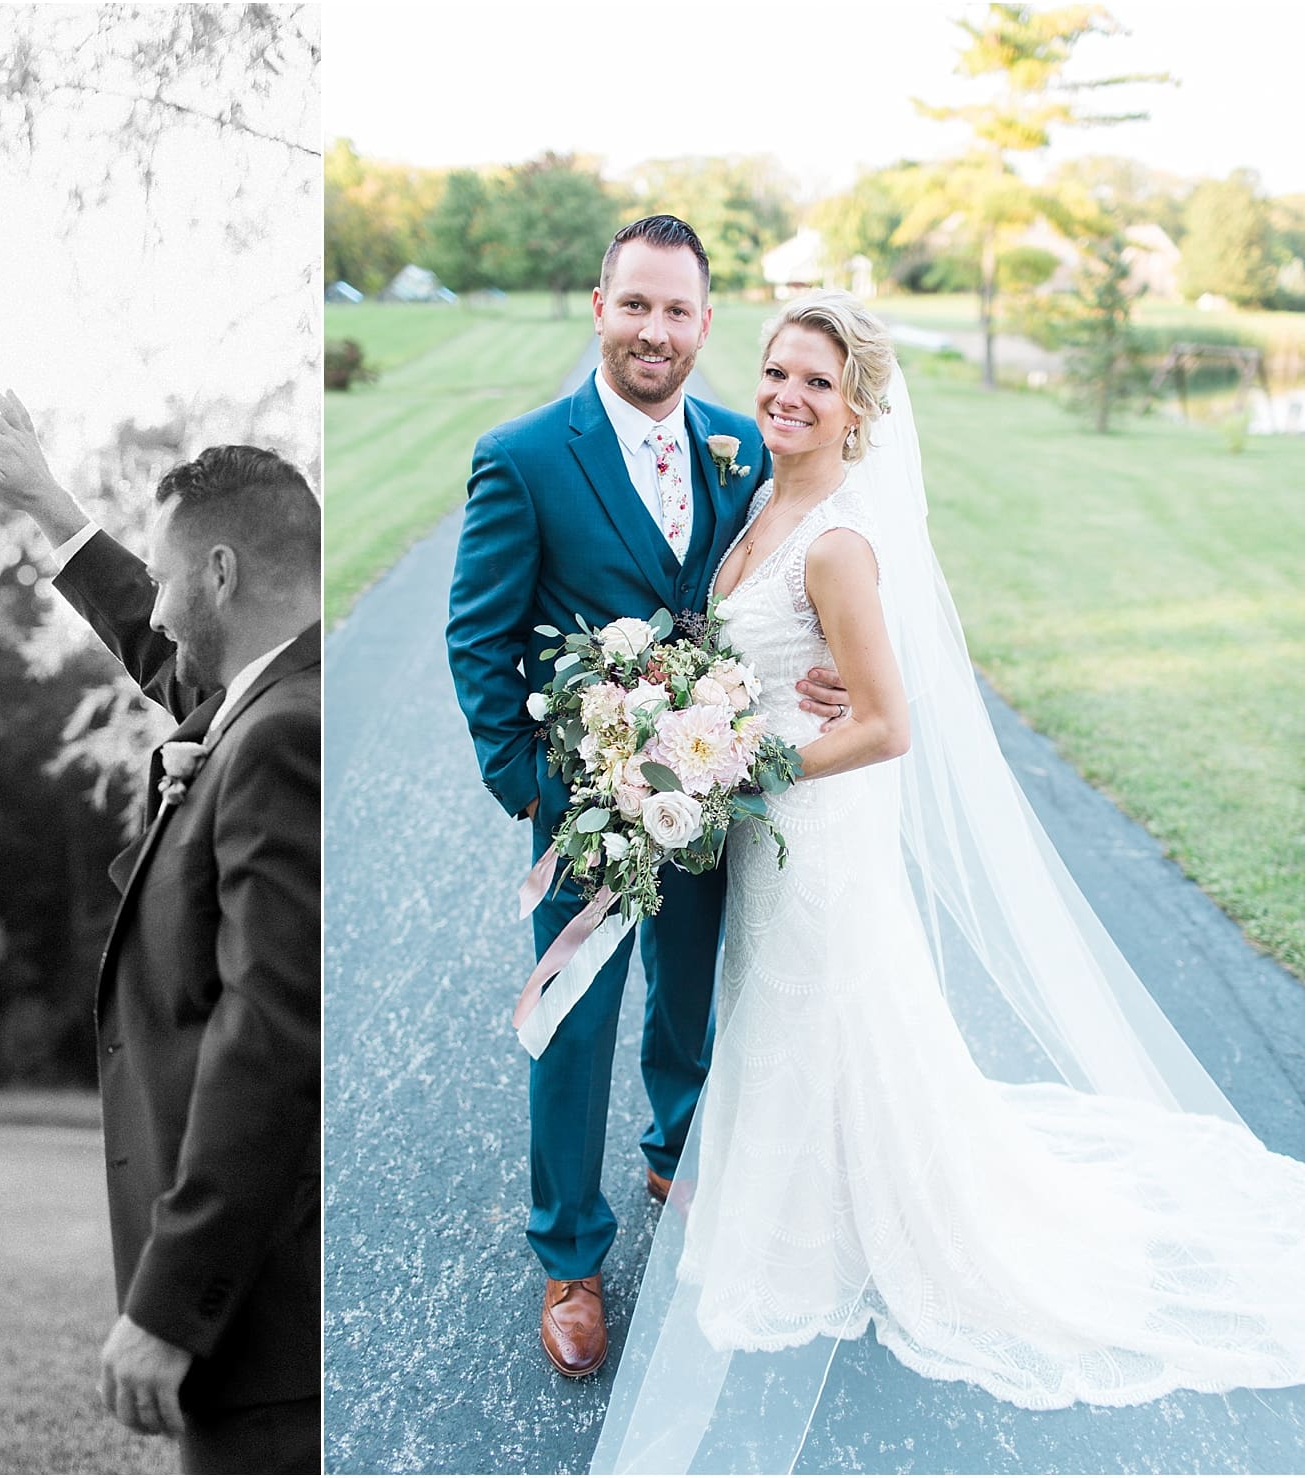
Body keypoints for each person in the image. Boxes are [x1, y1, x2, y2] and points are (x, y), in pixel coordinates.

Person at [592, 292, 1304, 1474]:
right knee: (799, 1009)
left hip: (812, 821)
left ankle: (861, 1223)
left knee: (830, 1002)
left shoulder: (838, 542)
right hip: (774, 816)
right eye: (776, 370)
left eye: (817, 381)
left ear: (859, 408)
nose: (785, 394)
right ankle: (816, 1201)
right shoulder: (768, 501)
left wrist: (736, 771)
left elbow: (883, 723)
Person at [446, 214, 852, 1378]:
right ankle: (571, 1254)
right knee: (574, 1021)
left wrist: (810, 670)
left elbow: (785, 579)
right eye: (637, 304)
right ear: (600, 306)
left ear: (705, 324)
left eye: (678, 310)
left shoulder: (739, 442)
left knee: (693, 987)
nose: (656, 330)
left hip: (715, 792)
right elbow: (480, 638)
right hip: (586, 804)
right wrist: (537, 782)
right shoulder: (522, 455)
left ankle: (678, 1150)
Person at [0, 385, 321, 1474]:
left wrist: (173, 1300)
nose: (154, 607)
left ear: (219, 573)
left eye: (165, 577)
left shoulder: (282, 733)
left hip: (271, 1309)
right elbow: (168, 661)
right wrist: (48, 505)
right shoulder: (262, 701)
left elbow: (273, 1035)